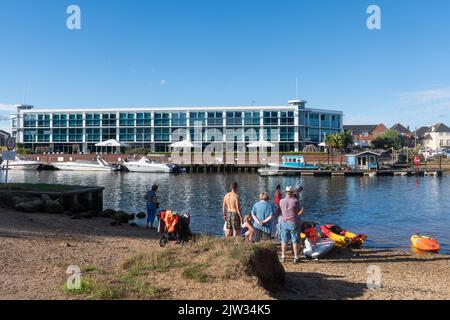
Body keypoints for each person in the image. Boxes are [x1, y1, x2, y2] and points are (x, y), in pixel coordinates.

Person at [279, 186, 305, 264]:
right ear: (292, 192)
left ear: (285, 192)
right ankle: (296, 257)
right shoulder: (295, 201)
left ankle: (283, 256)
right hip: (293, 222)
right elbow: (300, 212)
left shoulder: (281, 201)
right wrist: (300, 212)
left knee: (284, 240)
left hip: (284, 222)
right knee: (295, 240)